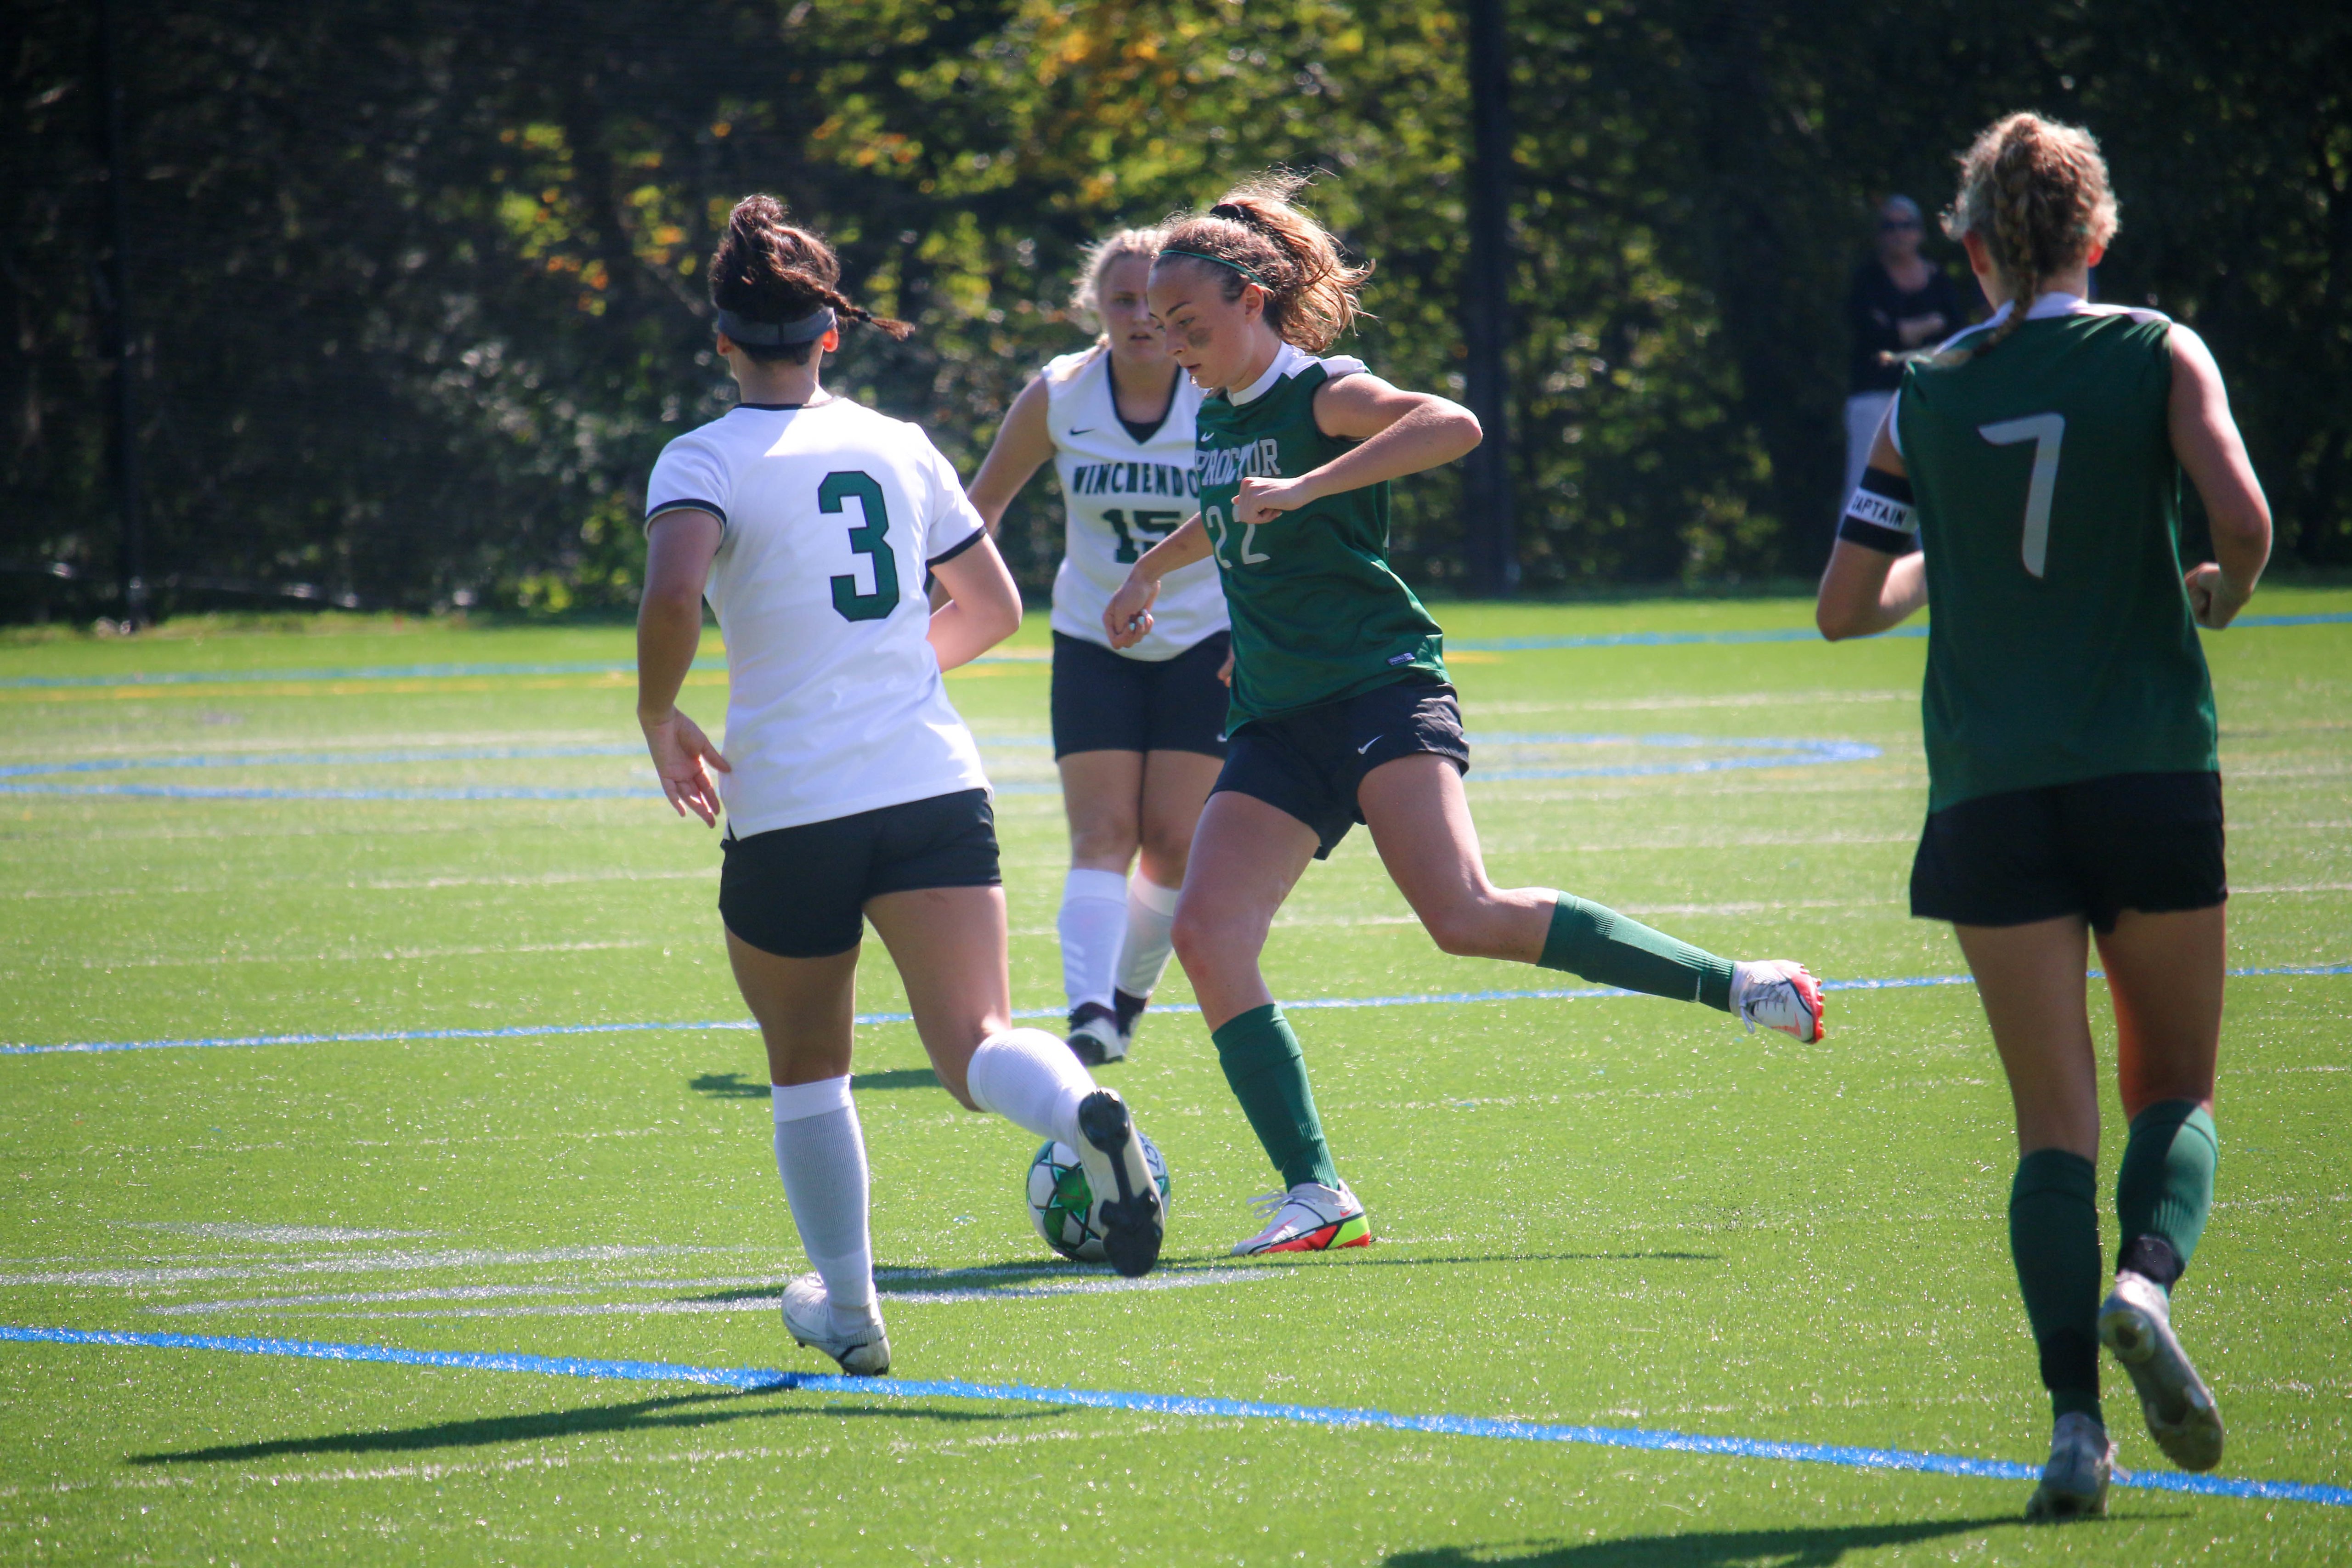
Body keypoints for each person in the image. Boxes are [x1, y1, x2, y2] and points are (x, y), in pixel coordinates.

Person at [1103, 173, 1827, 1259]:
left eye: (1191, 325)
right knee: (1206, 934)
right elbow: (1229, 511)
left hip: (1380, 686)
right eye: (1162, 329)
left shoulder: (1325, 392)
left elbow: (1452, 424)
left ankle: (1737, 983)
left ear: (1253, 299)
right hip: (1274, 715)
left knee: (1464, 913)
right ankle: (1315, 1193)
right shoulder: (1216, 407)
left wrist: (1308, 488)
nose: (1176, 346)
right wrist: (1150, 571)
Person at [1815, 114, 2271, 1522]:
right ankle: (2142, 1283)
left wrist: (1942, 568)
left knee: (2046, 1125)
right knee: (2173, 1084)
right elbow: (2239, 519)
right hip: (2143, 763)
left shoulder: (1921, 392)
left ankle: (2072, 1427)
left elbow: (1844, 605)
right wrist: (2212, 591)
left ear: (1965, 246)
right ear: (2096, 233)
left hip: (1987, 788)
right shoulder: (2152, 348)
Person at [635, 196, 1168, 1375]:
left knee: (808, 1066)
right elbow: (992, 608)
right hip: (931, 783)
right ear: (832, 334)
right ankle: (1081, 1105)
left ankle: (855, 1310)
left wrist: (656, 712)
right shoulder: (900, 441)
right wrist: (878, 669)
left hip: (789, 804)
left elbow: (675, 597)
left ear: (723, 341)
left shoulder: (702, 457)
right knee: (976, 1040)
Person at [966, 228, 1229, 1067]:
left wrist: (1256, 633)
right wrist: (925, 609)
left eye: (1157, 301)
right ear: (1096, 308)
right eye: (1123, 300)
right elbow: (980, 510)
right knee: (1103, 832)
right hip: (1093, 634)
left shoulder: (1219, 392)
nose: (1143, 317)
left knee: (1174, 840)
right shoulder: (1061, 393)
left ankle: (1123, 1001)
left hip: (1206, 638)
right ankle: (1089, 1014)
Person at [1843, 195, 1970, 510]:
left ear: (1920, 232)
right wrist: (1925, 324)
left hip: (1927, 395)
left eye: (1907, 225)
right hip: (1874, 397)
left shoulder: (1939, 279)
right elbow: (1874, 335)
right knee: (1866, 485)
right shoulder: (1867, 280)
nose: (1899, 233)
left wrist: (1902, 329)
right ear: (1879, 235)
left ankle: (1929, 559)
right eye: (1890, 226)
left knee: (1931, 487)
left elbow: (1955, 333)